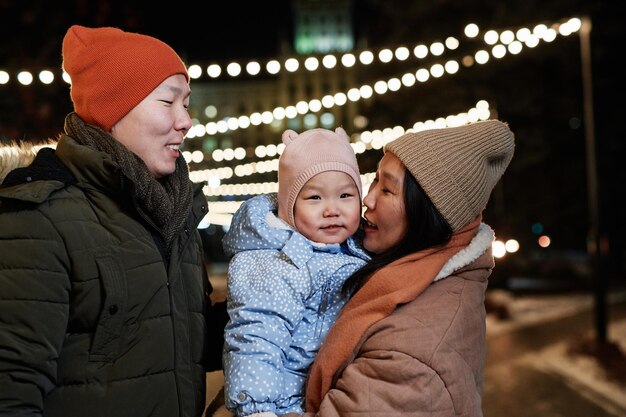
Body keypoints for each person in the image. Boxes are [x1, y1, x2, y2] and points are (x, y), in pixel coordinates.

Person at [0, 25, 227, 417]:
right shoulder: (41, 218)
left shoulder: (176, 214)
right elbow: (12, 389)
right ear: (115, 109)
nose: (186, 121)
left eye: (186, 104)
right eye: (168, 102)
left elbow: (176, 340)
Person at [279, 119, 515, 417]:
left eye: (387, 189)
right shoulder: (407, 282)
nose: (368, 199)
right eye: (374, 180)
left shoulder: (414, 354)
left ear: (427, 213)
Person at [221, 128, 371, 416]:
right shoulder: (277, 262)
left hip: (335, 397)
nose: (332, 210)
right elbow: (257, 336)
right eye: (315, 198)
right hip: (285, 401)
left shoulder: (358, 250)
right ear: (289, 206)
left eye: (345, 195)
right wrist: (258, 408)